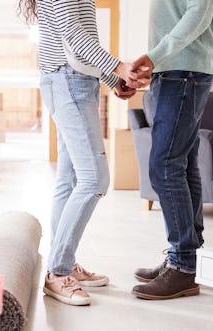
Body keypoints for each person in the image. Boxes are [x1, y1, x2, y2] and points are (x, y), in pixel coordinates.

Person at [17, 0, 149, 306]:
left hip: (74, 82)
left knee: (70, 177)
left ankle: (63, 261)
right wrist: (117, 67)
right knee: (95, 179)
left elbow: (78, 47)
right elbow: (74, 35)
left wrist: (113, 79)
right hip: (67, 84)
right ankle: (58, 271)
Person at [129, 0, 213, 300]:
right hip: (174, 69)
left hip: (183, 71)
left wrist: (156, 56)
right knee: (183, 164)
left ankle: (182, 264)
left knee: (165, 166)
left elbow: (197, 13)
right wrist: (156, 64)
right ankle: (185, 258)